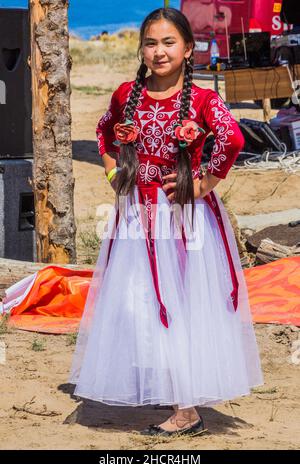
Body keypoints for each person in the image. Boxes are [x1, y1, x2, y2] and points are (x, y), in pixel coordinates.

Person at [68, 7, 263, 437]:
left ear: (189, 49)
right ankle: (172, 387)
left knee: (181, 304)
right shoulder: (125, 94)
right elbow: (104, 133)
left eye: (169, 42)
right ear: (141, 49)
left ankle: (186, 408)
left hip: (183, 220)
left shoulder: (202, 100)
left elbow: (233, 139)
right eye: (151, 43)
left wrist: (201, 184)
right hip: (138, 218)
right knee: (140, 304)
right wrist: (114, 175)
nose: (159, 51)